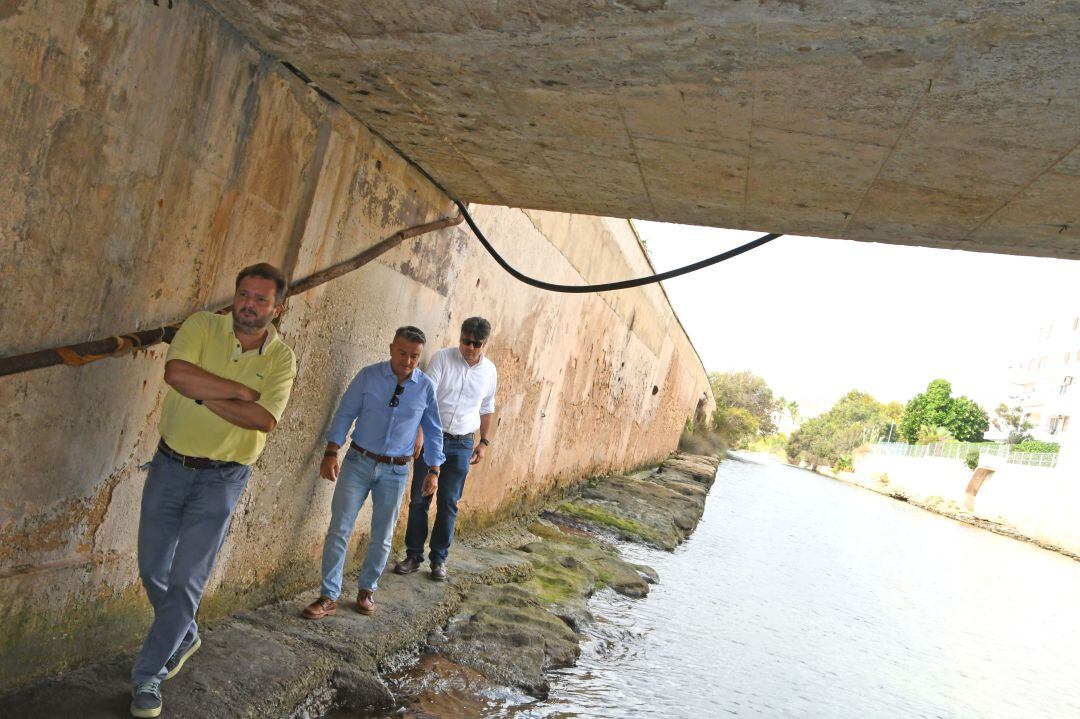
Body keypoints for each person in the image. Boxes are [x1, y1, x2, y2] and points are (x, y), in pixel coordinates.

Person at [130, 263, 297, 719]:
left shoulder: (282, 359)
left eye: (260, 298)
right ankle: (184, 633)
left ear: (277, 308)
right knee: (152, 568)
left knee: (187, 579)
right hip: (170, 465)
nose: (249, 303)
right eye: (244, 294)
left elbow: (263, 421)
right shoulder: (203, 325)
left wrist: (206, 393)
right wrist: (239, 392)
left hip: (223, 478)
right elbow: (177, 374)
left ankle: (149, 675)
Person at [303, 326, 444, 620]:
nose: (407, 361)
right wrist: (332, 450)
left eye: (414, 356)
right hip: (359, 461)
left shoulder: (425, 387)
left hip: (397, 471)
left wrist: (433, 469)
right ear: (392, 348)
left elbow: (433, 430)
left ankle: (367, 590)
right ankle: (329, 595)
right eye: (403, 353)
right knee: (340, 528)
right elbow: (345, 413)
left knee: (382, 535)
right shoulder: (368, 376)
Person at [394, 316, 497, 581]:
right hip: (432, 435)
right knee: (420, 498)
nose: (469, 347)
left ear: (484, 343)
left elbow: (487, 407)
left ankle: (438, 560)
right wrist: (419, 433)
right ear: (460, 337)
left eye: (476, 343)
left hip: (463, 442)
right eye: (465, 341)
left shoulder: (489, 372)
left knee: (449, 502)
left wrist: (483, 442)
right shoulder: (442, 358)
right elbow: (425, 396)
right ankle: (413, 555)